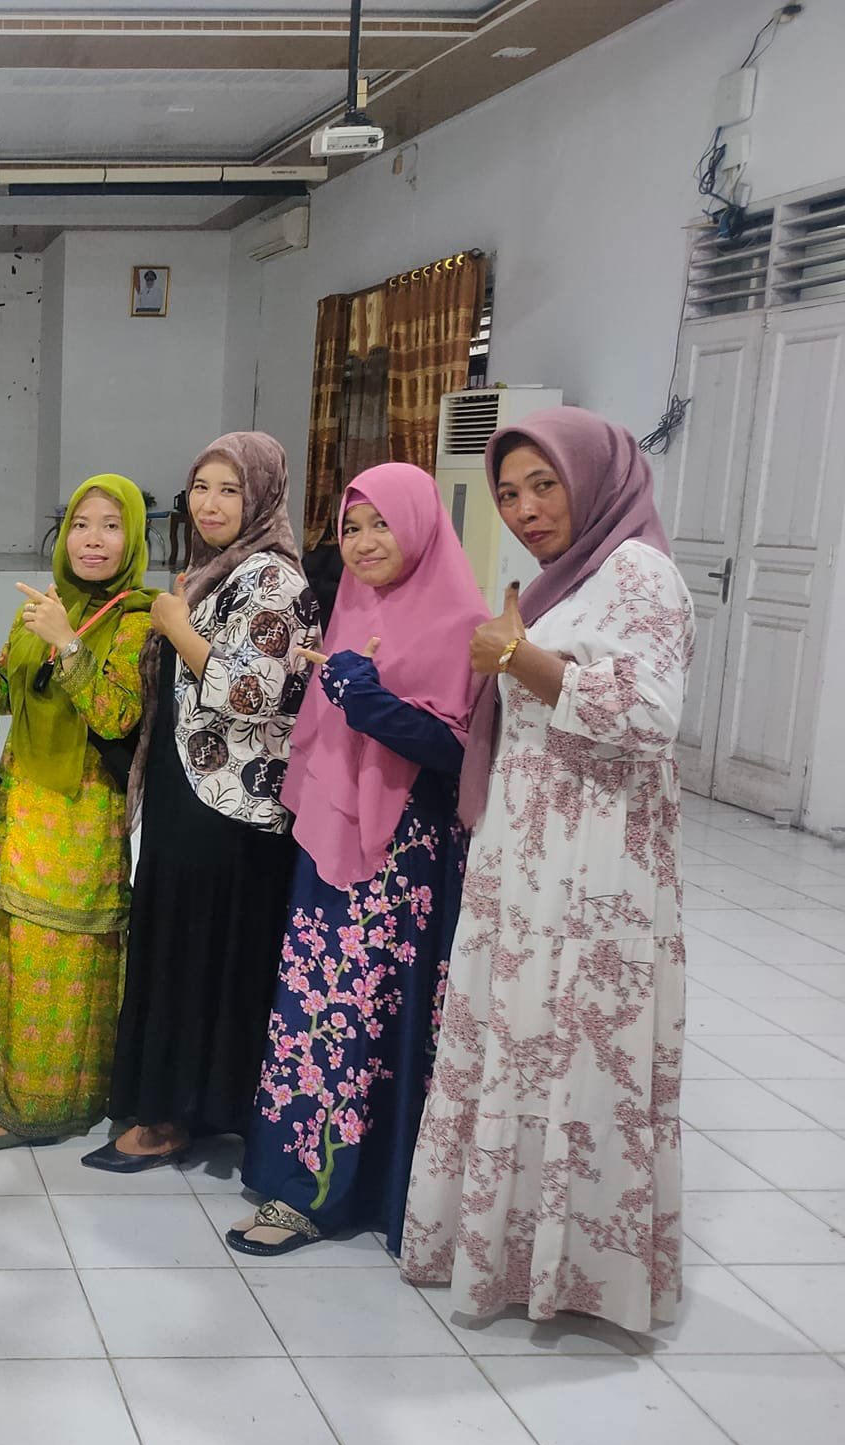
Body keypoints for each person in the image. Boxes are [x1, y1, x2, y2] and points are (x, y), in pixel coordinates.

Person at [401, 407, 692, 1330]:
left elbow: (650, 716)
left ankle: (580, 1269)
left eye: (544, 485)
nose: (526, 509)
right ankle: (510, 1250)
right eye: (509, 493)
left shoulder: (639, 571)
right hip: (529, 848)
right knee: (519, 1038)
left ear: (595, 481)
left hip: (595, 857)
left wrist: (520, 659)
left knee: (577, 1048)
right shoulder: (568, 577)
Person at [229, 463, 488, 1254]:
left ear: (421, 526)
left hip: (405, 859)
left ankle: (376, 1188)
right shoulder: (352, 605)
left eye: (382, 525)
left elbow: (462, 752)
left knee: (375, 1015)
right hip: (332, 845)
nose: (365, 542)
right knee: (318, 1011)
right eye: (352, 526)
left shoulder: (465, 623)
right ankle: (300, 1186)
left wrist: (368, 699)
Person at [85, 432, 319, 1174]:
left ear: (263, 496)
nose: (210, 504)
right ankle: (184, 1107)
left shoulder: (273, 580)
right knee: (179, 949)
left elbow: (254, 692)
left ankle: (175, 1117)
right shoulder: (220, 571)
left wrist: (177, 628)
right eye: (201, 488)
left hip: (231, 809)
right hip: (194, 792)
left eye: (230, 490)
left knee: (198, 956)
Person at [0, 475, 154, 1149]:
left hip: (81, 817)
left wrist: (69, 644)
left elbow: (118, 714)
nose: (92, 540)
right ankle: (1, 1090)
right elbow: (5, 693)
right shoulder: (45, 606)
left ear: (133, 539)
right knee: (9, 951)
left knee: (60, 963)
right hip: (21, 808)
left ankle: (44, 1109)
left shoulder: (138, 620)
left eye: (111, 526)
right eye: (81, 525)